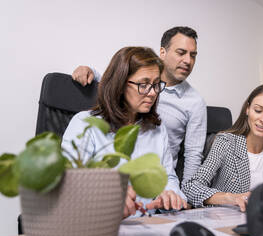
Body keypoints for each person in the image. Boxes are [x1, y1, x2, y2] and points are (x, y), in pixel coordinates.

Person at [72, 26, 207, 186]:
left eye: (193, 55)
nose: (188, 61)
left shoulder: (186, 109)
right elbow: (115, 77)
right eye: (181, 52)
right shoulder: (87, 123)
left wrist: (182, 197)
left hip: (157, 181)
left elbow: (192, 156)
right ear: (163, 52)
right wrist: (89, 70)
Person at [62, 47, 187, 218]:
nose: (152, 93)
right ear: (120, 85)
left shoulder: (157, 129)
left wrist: (170, 194)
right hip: (98, 227)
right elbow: (69, 186)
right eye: (143, 85)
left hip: (147, 228)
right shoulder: (84, 124)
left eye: (156, 85)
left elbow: (168, 178)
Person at [183, 84, 263, 211]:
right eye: (258, 110)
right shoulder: (226, 142)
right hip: (224, 219)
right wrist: (231, 198)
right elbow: (191, 187)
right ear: (247, 109)